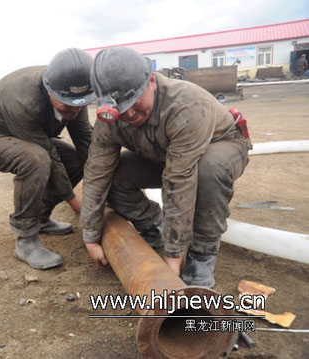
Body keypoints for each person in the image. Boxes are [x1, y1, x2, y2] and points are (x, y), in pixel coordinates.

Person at [81, 47, 251, 287]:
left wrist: (173, 255)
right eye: (119, 109)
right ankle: (153, 224)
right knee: (114, 174)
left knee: (207, 170)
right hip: (164, 155)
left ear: (151, 81)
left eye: (134, 101)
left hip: (219, 146)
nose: (129, 114)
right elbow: (96, 172)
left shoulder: (186, 106)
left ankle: (202, 253)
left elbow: (179, 180)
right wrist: (90, 236)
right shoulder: (109, 121)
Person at [0, 48, 95, 270]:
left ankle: (41, 217)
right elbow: (47, 154)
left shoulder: (74, 95)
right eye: (67, 104)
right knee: (35, 160)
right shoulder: (24, 99)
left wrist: (105, 188)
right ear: (50, 90)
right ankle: (26, 239)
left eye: (80, 103)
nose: (74, 110)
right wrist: (78, 206)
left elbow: (87, 142)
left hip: (20, 133)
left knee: (73, 158)